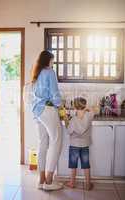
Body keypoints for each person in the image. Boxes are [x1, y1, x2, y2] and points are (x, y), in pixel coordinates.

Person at [31, 50, 63, 191]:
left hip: (37, 111)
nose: (53, 63)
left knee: (42, 143)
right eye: (52, 60)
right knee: (56, 141)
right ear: (48, 60)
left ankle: (41, 179)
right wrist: (60, 106)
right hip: (48, 109)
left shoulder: (37, 73)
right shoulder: (50, 72)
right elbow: (54, 94)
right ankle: (49, 181)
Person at [66, 97, 96, 190]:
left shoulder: (73, 120)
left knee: (73, 165)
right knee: (86, 164)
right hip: (85, 145)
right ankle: (87, 184)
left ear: (75, 107)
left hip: (74, 145)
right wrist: (87, 108)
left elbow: (69, 131)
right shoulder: (89, 115)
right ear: (85, 105)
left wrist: (66, 120)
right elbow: (94, 110)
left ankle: (72, 183)